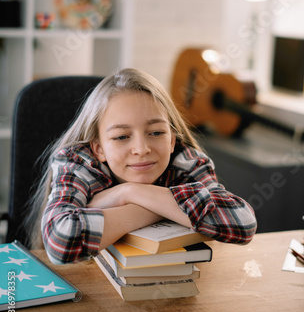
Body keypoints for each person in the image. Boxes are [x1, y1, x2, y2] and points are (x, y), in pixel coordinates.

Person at [32, 68, 256, 264]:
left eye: (156, 132)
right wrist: (159, 205)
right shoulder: (80, 162)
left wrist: (128, 194)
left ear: (171, 140)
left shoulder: (185, 161)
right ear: (98, 148)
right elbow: (60, 242)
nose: (141, 149)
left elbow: (242, 223)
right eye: (121, 137)